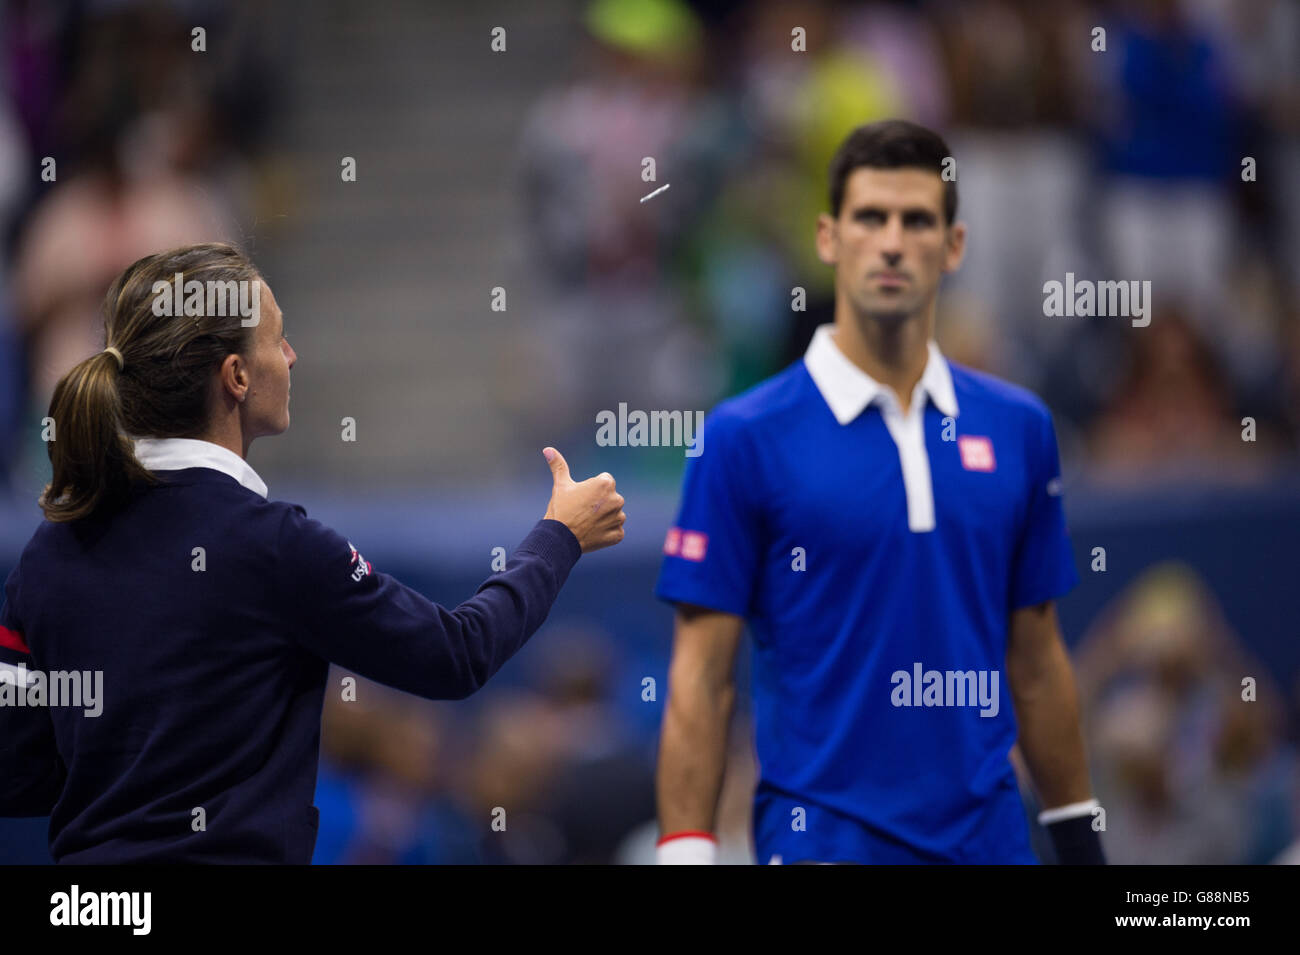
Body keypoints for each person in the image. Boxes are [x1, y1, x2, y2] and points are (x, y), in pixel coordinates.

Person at [0, 242, 625, 863]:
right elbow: (457, 654)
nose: (293, 358)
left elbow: (17, 768)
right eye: (279, 339)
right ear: (236, 377)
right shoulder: (273, 546)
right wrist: (559, 537)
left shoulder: (49, 554)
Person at [654, 120, 1105, 865]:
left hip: (991, 845)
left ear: (953, 245)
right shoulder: (742, 437)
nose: (892, 242)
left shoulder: (1020, 428)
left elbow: (1037, 659)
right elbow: (701, 678)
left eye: (917, 220)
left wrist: (1079, 838)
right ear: (829, 238)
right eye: (871, 218)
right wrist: (685, 853)